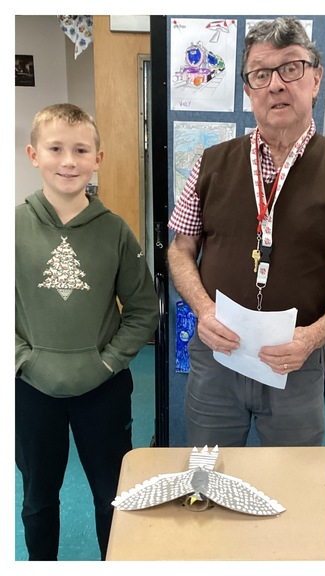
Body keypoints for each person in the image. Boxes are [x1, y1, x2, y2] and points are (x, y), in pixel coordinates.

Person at [167, 17, 325, 447]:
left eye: (291, 68)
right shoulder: (211, 163)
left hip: (295, 363)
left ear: (316, 79)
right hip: (218, 355)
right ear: (248, 89)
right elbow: (180, 250)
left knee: (296, 486)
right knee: (209, 478)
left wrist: (314, 337)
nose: (276, 85)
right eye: (261, 74)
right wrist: (205, 312)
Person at [15, 103, 158, 560]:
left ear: (98, 159)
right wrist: (23, 359)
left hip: (103, 389)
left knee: (111, 496)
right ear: (33, 154)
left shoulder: (116, 232)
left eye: (81, 150)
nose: (69, 161)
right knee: (38, 499)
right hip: (32, 388)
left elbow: (141, 310)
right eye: (56, 149)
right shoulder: (12, 227)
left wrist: (107, 362)